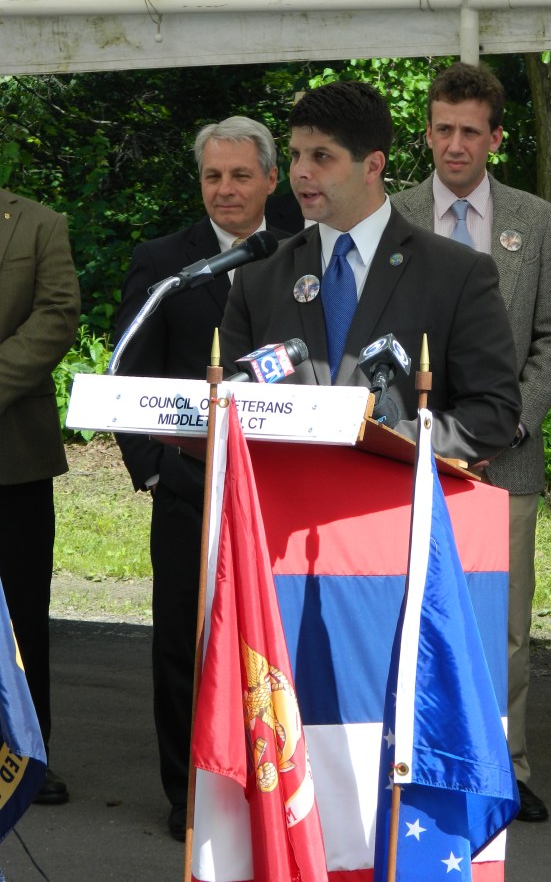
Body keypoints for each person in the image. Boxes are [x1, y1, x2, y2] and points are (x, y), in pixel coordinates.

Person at [392, 62, 551, 823]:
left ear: (496, 138)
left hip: (507, 461)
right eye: (443, 129)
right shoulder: (393, 214)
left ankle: (507, 768)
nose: (455, 145)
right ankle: (408, 759)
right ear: (427, 131)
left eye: (471, 131)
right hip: (404, 454)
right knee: (403, 609)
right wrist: (411, 433)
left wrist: (504, 426)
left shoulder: (534, 219)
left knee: (504, 625)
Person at [113, 116, 294, 840]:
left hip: (278, 492)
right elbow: (129, 368)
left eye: (240, 175)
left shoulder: (298, 255)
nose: (225, 190)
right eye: (213, 176)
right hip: (187, 492)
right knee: (183, 641)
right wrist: (155, 474)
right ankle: (187, 791)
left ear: (271, 181)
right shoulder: (163, 261)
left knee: (272, 644)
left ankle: (270, 780)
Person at [220, 79, 521, 473]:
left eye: (322, 156)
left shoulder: (457, 274)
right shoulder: (259, 275)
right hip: (284, 513)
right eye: (295, 155)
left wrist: (387, 440)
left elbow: (492, 414)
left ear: (373, 166)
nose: (301, 172)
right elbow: (226, 397)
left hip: (395, 513)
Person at [0, 188, 80, 805]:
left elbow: (57, 315)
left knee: (22, 613)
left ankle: (25, 758)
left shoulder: (39, 223)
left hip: (14, 461)